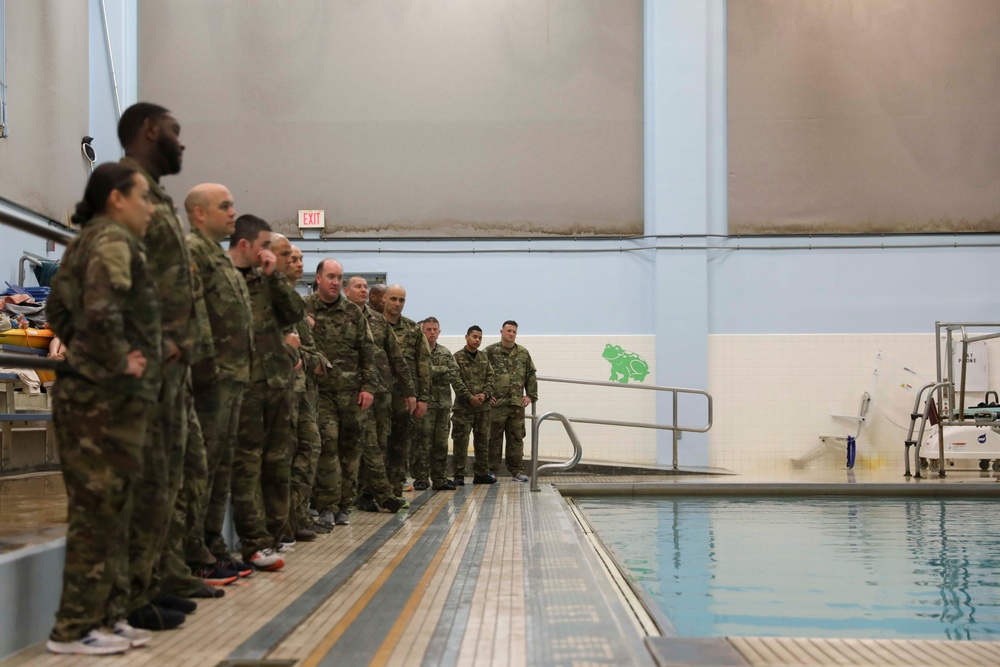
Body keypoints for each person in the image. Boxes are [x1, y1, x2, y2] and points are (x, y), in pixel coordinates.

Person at [45, 162, 159, 654]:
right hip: (98, 397)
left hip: (97, 391)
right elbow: (101, 306)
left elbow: (56, 311)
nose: (150, 209)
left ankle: (107, 618)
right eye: (144, 198)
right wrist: (115, 360)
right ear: (116, 198)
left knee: (113, 506)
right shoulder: (110, 240)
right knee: (98, 510)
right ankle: (73, 629)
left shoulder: (90, 240)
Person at [118, 102, 201, 631]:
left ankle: (153, 582)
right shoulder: (127, 191)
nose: (182, 142)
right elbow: (120, 273)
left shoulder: (155, 194)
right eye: (175, 131)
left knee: (165, 478)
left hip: (169, 365)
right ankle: (131, 597)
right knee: (144, 479)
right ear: (150, 131)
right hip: (147, 362)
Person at [183, 183, 255, 581]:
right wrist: (207, 371)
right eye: (224, 206)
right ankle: (194, 550)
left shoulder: (218, 257)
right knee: (202, 468)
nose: (232, 213)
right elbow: (196, 316)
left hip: (232, 378)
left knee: (220, 468)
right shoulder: (194, 252)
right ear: (198, 214)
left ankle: (212, 544)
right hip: (211, 379)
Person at [229, 216, 304, 571]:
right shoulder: (233, 280)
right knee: (247, 465)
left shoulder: (269, 283)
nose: (290, 260)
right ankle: (255, 542)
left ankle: (273, 537)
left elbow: (294, 312)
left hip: (278, 387)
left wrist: (274, 276)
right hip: (246, 388)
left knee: (278, 463)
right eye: (281, 253)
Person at [306, 260, 378, 527]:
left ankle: (344, 507)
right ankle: (326, 506)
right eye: (331, 277)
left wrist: (368, 387)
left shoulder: (353, 312)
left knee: (350, 451)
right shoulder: (305, 309)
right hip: (320, 393)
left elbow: (368, 353)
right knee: (327, 446)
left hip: (352, 395)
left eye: (339, 277)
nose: (335, 282)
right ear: (318, 279)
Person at [273, 237, 331, 540]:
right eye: (291, 258)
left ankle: (295, 517)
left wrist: (308, 357)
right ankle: (280, 524)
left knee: (309, 447)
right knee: (285, 454)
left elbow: (308, 350)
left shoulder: (293, 301)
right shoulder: (271, 297)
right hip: (277, 388)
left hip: (302, 390)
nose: (298, 263)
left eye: (300, 259)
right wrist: (301, 355)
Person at [344, 275, 410, 513]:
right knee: (354, 446)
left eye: (365, 286)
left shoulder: (378, 321)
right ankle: (356, 495)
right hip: (348, 393)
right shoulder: (341, 317)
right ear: (346, 291)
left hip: (380, 393)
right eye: (358, 286)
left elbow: (396, 358)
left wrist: (410, 391)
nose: (363, 290)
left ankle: (368, 494)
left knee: (377, 444)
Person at [382, 285, 430, 495]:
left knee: (400, 444)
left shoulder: (412, 329)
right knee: (375, 443)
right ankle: (370, 489)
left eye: (401, 300)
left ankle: (395, 487)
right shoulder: (371, 324)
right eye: (393, 299)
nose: (397, 304)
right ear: (384, 298)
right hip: (377, 396)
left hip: (404, 398)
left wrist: (423, 398)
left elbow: (423, 365)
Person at [415, 317, 471, 491]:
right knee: (423, 443)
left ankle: (439, 478)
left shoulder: (446, 353)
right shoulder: (417, 352)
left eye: (435, 329)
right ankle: (421, 479)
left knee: (441, 443)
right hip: (425, 405)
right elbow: (422, 374)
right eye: (429, 329)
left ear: (439, 331)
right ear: (422, 331)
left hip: (443, 405)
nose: (432, 332)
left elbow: (454, 374)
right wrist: (439, 371)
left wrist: (433, 373)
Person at [486, 320, 538, 482]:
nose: (511, 334)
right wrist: (486, 395)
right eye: (508, 331)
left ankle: (517, 471)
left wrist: (530, 395)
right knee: (493, 438)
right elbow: (480, 372)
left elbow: (531, 374)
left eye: (514, 331)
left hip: (516, 404)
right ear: (501, 332)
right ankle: (490, 470)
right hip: (496, 404)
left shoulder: (523, 353)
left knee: (516, 437)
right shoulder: (490, 351)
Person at [451, 326, 495, 485]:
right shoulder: (457, 358)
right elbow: (455, 380)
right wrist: (469, 397)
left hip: (483, 409)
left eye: (480, 338)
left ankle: (481, 473)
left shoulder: (484, 358)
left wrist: (485, 394)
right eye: (474, 336)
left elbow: (491, 378)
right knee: (461, 442)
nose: (477, 340)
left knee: (483, 441)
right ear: (466, 337)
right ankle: (459, 475)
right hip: (463, 408)